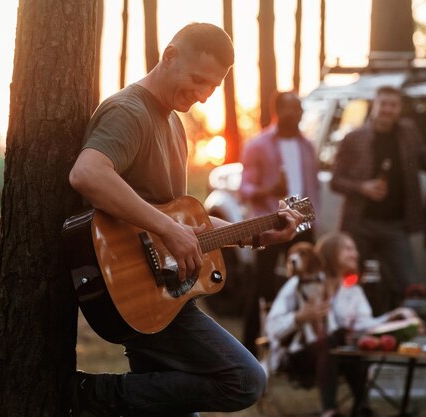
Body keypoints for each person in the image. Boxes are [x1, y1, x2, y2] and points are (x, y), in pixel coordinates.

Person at [68, 23, 306, 417]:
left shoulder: (174, 124)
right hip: (130, 286)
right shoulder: (129, 111)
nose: (202, 95)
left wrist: (259, 234)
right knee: (245, 379)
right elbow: (88, 174)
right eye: (198, 80)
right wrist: (168, 229)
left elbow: (184, 226)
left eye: (212, 87)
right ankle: (90, 394)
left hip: (162, 295)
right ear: (169, 56)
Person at [330, 85, 426, 314]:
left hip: (395, 225)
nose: (388, 110)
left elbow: (425, 158)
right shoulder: (354, 138)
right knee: (351, 280)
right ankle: (348, 329)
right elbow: (335, 181)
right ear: (374, 105)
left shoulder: (408, 132)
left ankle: (406, 330)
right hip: (360, 224)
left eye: (393, 105)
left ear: (400, 108)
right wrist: (363, 187)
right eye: (384, 104)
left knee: (410, 283)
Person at [265, 232, 422, 417]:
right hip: (297, 357)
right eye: (348, 248)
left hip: (337, 357)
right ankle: (331, 411)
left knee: (347, 342)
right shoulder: (300, 283)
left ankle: (362, 409)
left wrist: (395, 316)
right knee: (334, 340)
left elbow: (365, 325)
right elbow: (272, 326)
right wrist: (300, 317)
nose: (355, 254)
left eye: (354, 249)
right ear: (331, 253)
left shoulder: (353, 291)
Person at [239, 90, 320, 356]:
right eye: (291, 110)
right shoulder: (258, 145)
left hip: (303, 225)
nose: (296, 115)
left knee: (305, 285)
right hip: (270, 225)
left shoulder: (307, 146)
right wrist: (270, 189)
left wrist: (312, 220)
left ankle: (296, 350)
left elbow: (312, 188)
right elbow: (245, 189)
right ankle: (249, 348)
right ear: (278, 111)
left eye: (299, 110)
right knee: (262, 286)